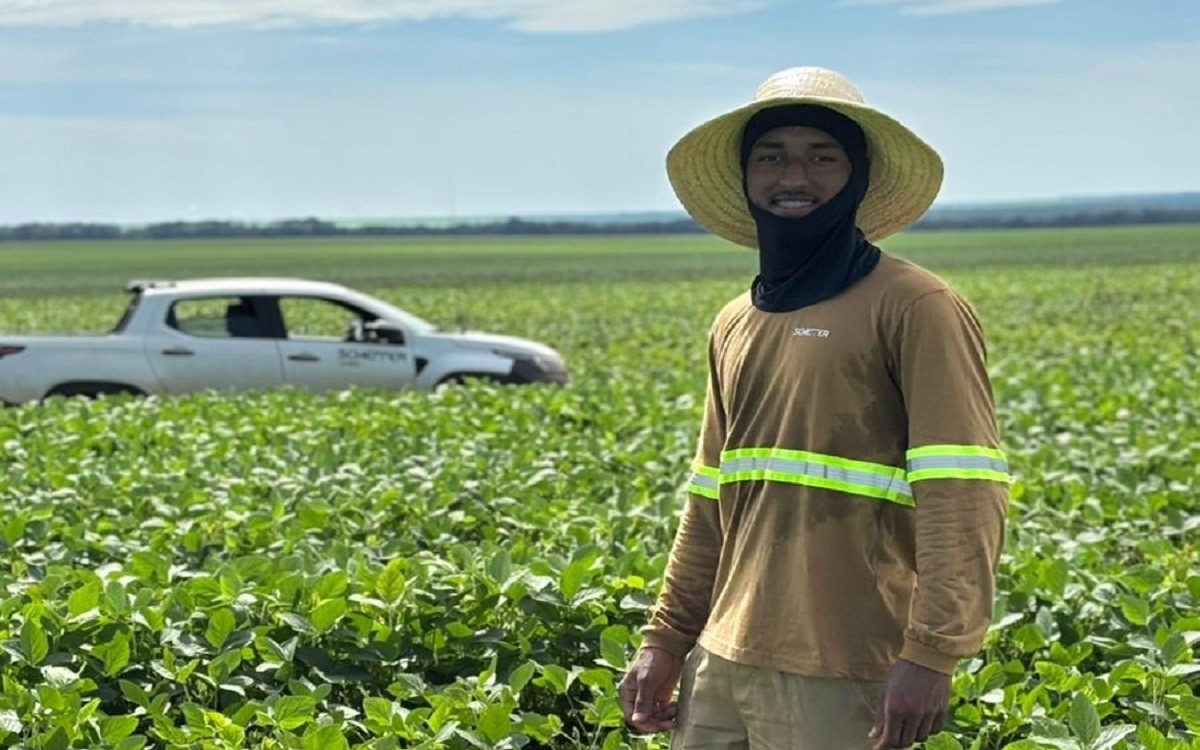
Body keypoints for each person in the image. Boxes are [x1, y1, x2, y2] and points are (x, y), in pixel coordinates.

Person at [618, 67, 1010, 749]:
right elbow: (710, 500)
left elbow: (964, 490)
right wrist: (667, 637)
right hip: (724, 658)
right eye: (772, 157)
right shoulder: (736, 321)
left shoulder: (915, 306)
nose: (794, 177)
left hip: (847, 665)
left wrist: (933, 652)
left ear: (856, 176)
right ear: (747, 178)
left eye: (821, 157)